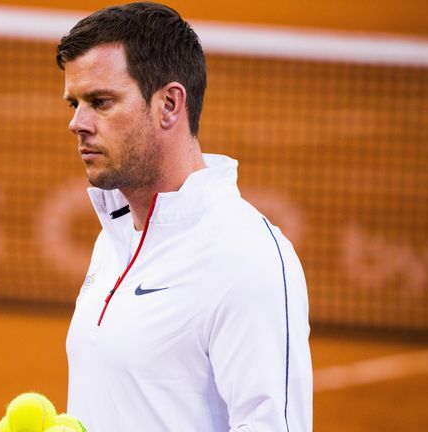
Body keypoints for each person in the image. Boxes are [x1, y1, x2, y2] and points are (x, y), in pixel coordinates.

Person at [56, 3, 312, 431]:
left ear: (170, 104)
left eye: (100, 102)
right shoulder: (117, 235)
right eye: (74, 104)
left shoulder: (246, 257)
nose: (77, 123)